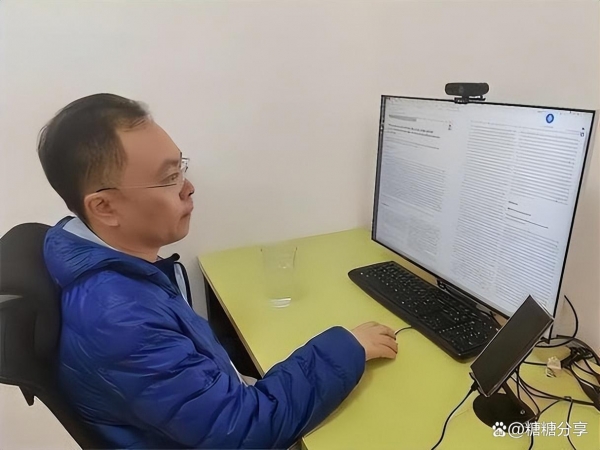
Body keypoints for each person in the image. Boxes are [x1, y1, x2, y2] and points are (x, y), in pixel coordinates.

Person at [38, 93, 398, 449]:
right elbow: (243, 431)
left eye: (181, 168)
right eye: (170, 177)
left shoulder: (113, 267)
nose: (189, 188)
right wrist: (347, 348)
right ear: (104, 207)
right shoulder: (120, 319)